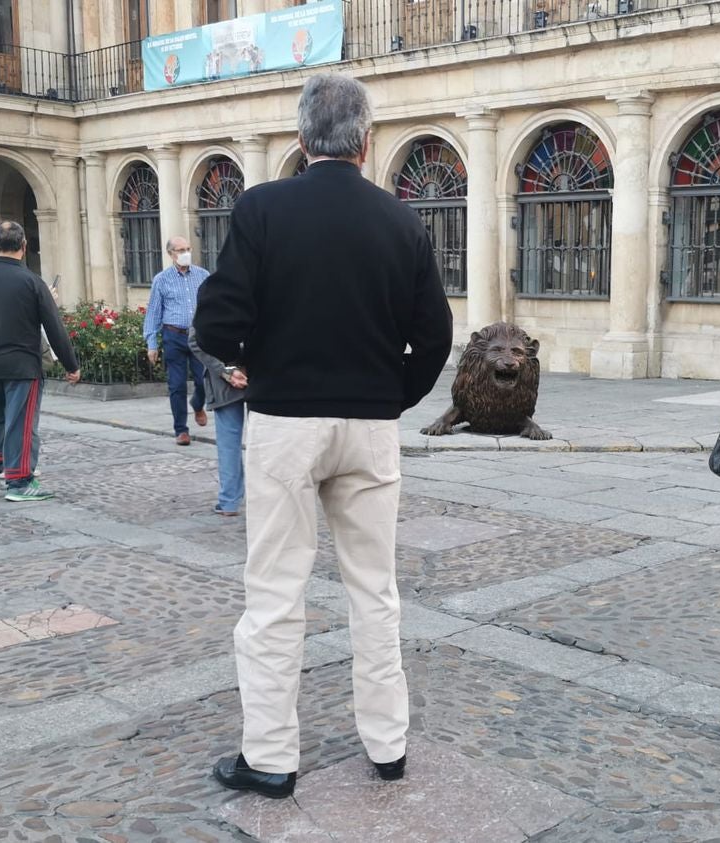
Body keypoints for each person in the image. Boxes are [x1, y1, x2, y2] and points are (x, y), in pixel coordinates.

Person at [197, 73, 453, 799]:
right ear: (366, 143)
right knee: (376, 589)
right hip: (369, 426)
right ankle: (388, 743)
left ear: (302, 141)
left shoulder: (264, 208)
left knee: (276, 590)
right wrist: (388, 397)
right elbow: (435, 336)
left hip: (284, 422)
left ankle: (271, 757)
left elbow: (215, 321)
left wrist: (252, 362)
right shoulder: (401, 221)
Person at [0, 221, 81, 502]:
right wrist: (71, 365)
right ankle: (19, 481)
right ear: (23, 247)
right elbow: (54, 328)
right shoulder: (32, 282)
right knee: (20, 423)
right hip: (22, 366)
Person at [143, 236, 210, 445]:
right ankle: (181, 430)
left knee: (204, 381)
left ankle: (198, 404)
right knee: (177, 384)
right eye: (180, 250)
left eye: (188, 249)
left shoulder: (203, 275)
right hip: (174, 336)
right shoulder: (161, 280)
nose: (185, 253)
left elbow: (212, 306)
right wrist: (152, 344)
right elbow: (153, 313)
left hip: (198, 336)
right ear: (171, 254)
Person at [188, 325, 247, 517]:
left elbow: (195, 341)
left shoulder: (213, 296)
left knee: (229, 443)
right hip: (258, 376)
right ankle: (269, 499)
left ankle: (229, 501)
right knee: (265, 442)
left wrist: (224, 371)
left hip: (226, 381)